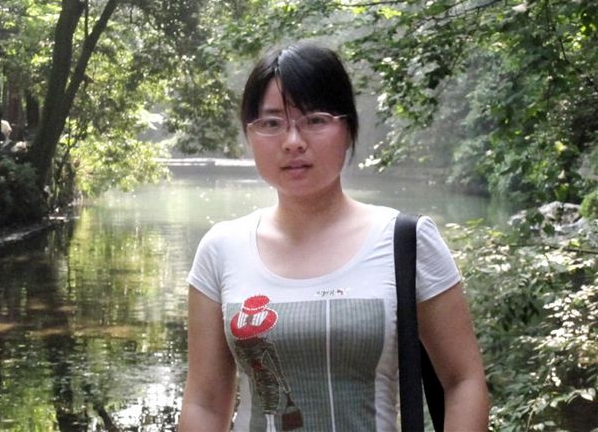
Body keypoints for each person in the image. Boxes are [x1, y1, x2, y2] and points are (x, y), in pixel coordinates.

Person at [178, 43, 489, 432]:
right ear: (250, 134)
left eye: (315, 120)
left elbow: (463, 381)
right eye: (271, 123)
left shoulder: (404, 242)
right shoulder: (221, 248)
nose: (293, 141)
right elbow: (205, 403)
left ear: (348, 128)